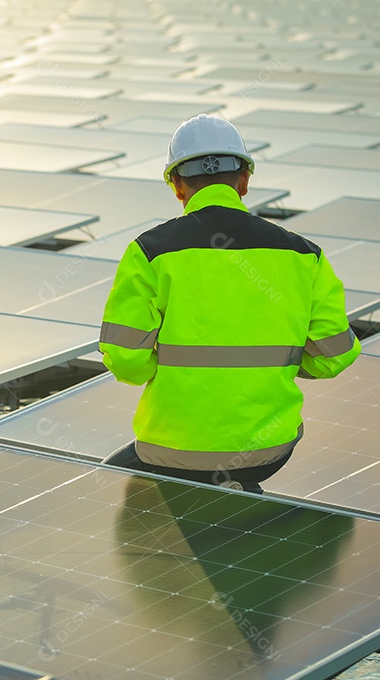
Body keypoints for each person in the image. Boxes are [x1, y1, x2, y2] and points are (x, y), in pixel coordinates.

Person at [99, 114, 360, 494]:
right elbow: (331, 357)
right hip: (269, 450)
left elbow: (126, 360)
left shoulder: (149, 252)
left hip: (173, 447)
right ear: (244, 181)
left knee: (115, 492)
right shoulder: (304, 255)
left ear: (176, 185)